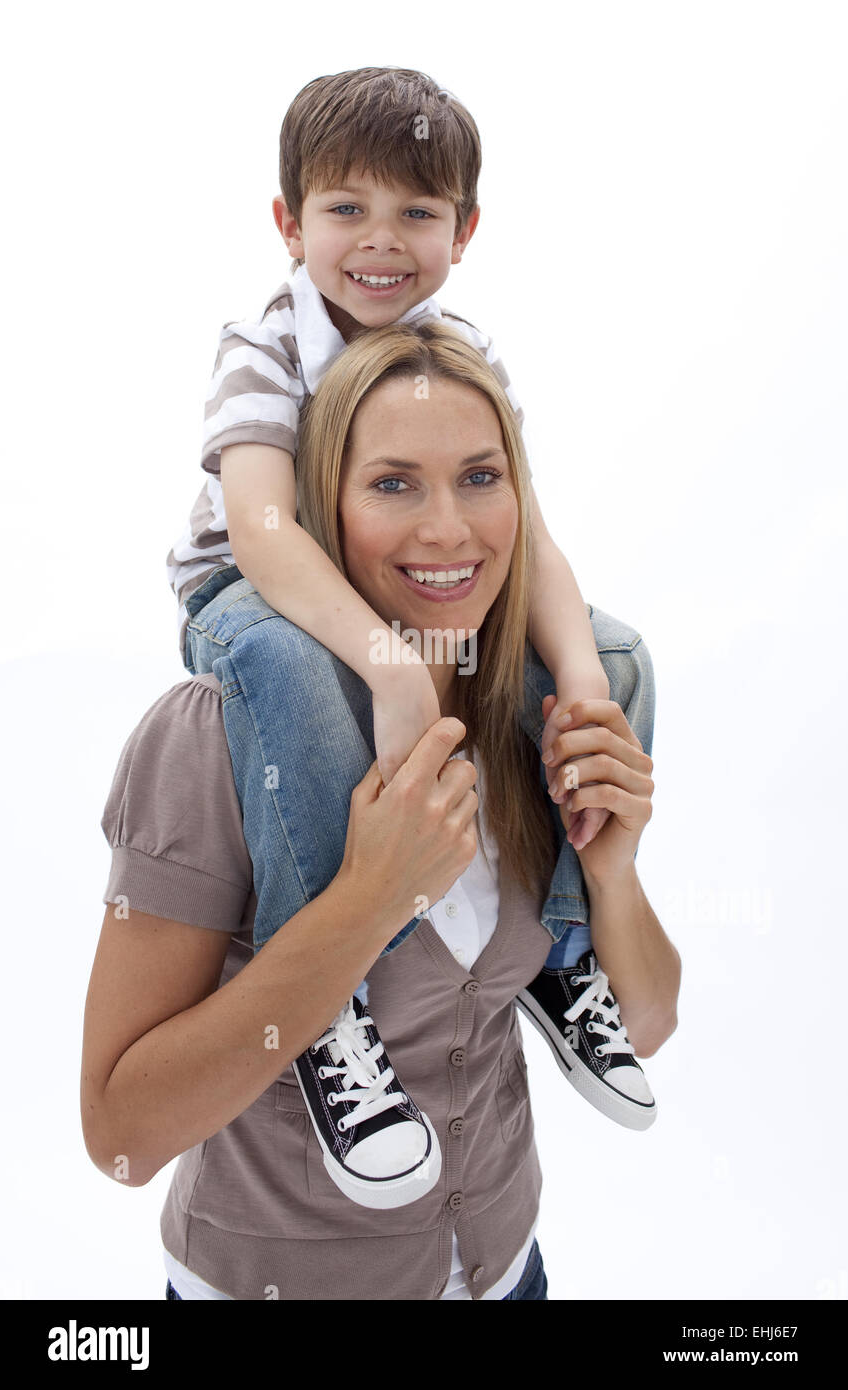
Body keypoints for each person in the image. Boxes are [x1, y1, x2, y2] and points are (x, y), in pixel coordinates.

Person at [82, 320, 680, 1300]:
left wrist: (611, 873)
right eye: (393, 482)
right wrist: (363, 903)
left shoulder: (534, 714)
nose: (448, 527)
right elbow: (120, 1138)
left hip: (505, 1272)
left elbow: (648, 1023)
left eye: (481, 478)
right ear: (320, 507)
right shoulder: (211, 734)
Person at [164, 68, 654, 1192]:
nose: (380, 242)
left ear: (463, 230)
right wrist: (389, 668)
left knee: (616, 652)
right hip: (263, 595)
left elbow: (523, 532)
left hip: (408, 593)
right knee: (290, 659)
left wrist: (580, 679)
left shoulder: (458, 350)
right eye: (345, 210)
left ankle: (562, 950)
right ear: (289, 223)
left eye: (417, 213)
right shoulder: (265, 344)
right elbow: (264, 527)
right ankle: (330, 1005)